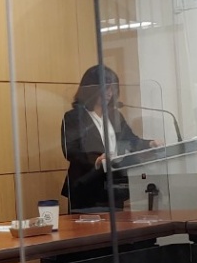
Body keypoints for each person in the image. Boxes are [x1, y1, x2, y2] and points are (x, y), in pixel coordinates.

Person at [60, 65, 160, 211]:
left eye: (113, 89)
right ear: (91, 89)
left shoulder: (115, 116)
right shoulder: (74, 117)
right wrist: (96, 160)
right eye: (105, 88)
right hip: (86, 188)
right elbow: (71, 150)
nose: (109, 93)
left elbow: (131, 140)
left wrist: (150, 144)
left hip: (114, 187)